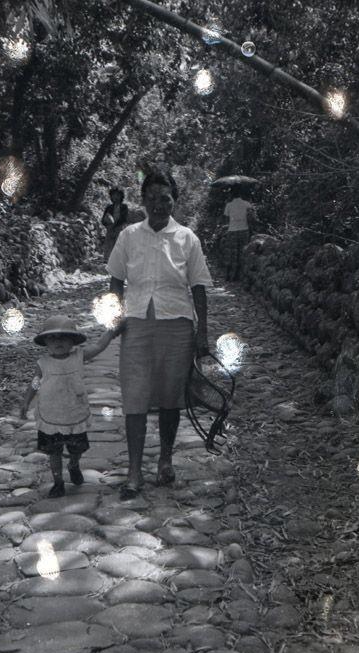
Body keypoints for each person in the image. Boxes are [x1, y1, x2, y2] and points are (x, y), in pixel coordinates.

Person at [107, 169, 213, 500]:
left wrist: (202, 332)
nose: (158, 205)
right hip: (137, 323)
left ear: (174, 200)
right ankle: (134, 472)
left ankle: (165, 460)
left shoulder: (187, 238)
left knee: (170, 398)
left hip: (177, 325)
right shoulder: (129, 236)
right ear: (142, 200)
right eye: (151, 198)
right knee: (135, 397)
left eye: (165, 198)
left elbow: (199, 286)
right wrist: (116, 317)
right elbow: (115, 278)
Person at [20, 315, 124, 498]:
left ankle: (74, 464)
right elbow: (35, 382)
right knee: (54, 452)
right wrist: (26, 401)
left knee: (77, 448)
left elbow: (98, 346)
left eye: (64, 337)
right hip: (51, 414)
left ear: (73, 341)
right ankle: (58, 482)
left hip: (74, 412)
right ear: (45, 342)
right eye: (52, 338)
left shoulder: (79, 356)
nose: (58, 342)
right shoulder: (43, 363)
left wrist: (111, 331)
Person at [223, 186, 253, 281]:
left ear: (232, 194)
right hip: (244, 230)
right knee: (242, 252)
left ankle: (229, 275)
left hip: (232, 231)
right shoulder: (246, 204)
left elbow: (226, 219)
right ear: (241, 194)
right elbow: (251, 215)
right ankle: (239, 275)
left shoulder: (229, 205)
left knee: (231, 254)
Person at [102, 187, 129, 263]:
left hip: (120, 228)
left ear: (121, 196)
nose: (115, 197)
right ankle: (107, 259)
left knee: (119, 243)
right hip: (110, 228)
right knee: (108, 243)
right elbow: (103, 219)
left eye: (117, 195)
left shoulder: (124, 207)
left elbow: (124, 218)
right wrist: (107, 224)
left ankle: (118, 261)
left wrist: (115, 225)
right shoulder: (109, 207)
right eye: (113, 195)